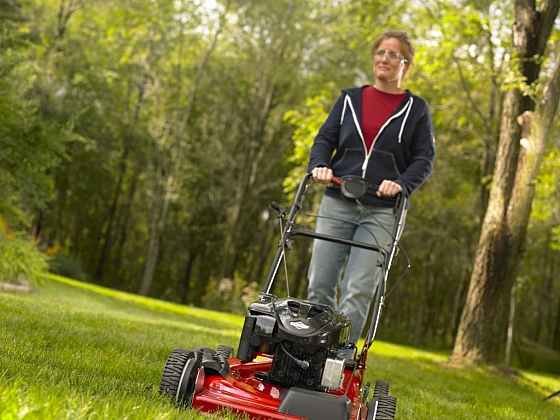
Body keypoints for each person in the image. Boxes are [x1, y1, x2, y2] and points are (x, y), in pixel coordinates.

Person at [306, 31, 435, 349]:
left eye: (394, 55)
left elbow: (423, 159)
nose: (385, 59)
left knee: (359, 288)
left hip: (380, 209)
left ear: (406, 64)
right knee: (319, 282)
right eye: (380, 52)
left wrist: (402, 184)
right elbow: (325, 139)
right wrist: (320, 164)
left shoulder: (416, 110)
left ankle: (340, 360)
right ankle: (311, 351)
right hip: (338, 199)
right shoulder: (349, 98)